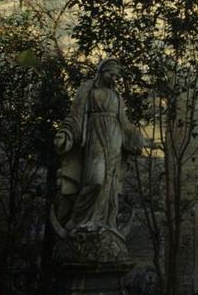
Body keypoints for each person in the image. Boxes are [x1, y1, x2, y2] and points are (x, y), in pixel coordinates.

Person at [54, 59, 142, 232]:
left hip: (114, 143)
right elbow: (75, 117)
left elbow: (125, 124)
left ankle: (103, 223)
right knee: (96, 180)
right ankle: (78, 220)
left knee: (109, 186)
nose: (114, 79)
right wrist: (66, 133)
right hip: (95, 139)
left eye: (117, 76)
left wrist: (137, 139)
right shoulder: (87, 90)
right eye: (111, 74)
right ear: (101, 72)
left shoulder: (117, 97)